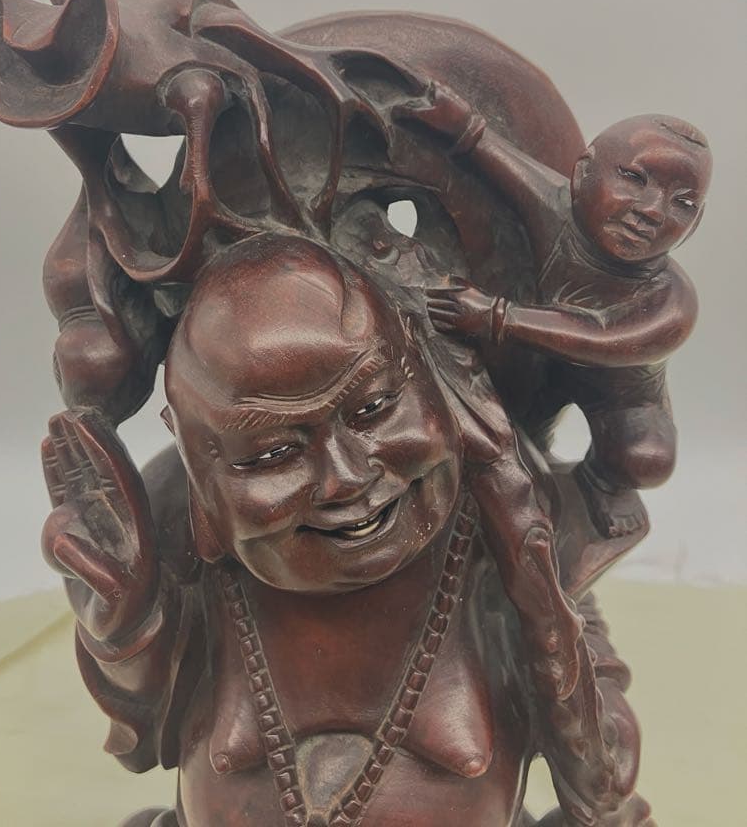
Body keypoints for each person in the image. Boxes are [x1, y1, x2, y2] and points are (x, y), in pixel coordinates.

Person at [41, 235, 652, 827]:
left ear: (430, 379)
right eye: (273, 453)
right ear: (200, 473)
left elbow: (604, 788)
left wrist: (534, 579)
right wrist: (127, 627)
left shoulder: (499, 524)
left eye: (373, 409)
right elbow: (143, 730)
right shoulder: (186, 531)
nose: (347, 478)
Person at [395, 87, 711, 538]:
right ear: (582, 174)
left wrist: (495, 316)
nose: (651, 211)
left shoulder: (672, 302)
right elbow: (496, 157)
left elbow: (598, 336)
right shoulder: (556, 207)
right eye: (634, 178)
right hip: (532, 355)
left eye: (683, 203)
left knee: (647, 459)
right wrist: (460, 123)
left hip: (617, 394)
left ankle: (603, 482)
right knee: (492, 408)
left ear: (695, 226)